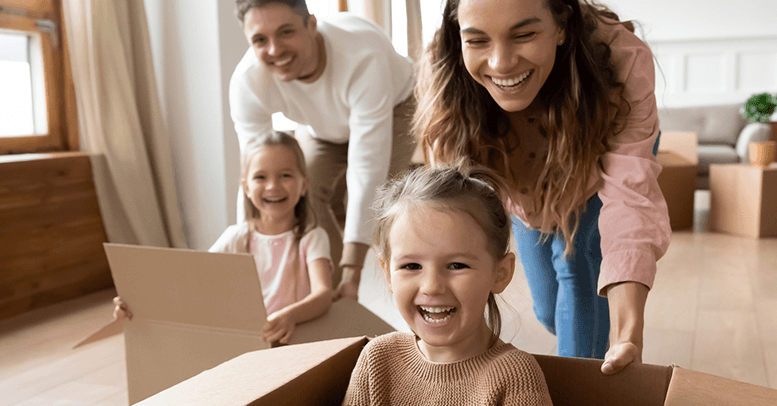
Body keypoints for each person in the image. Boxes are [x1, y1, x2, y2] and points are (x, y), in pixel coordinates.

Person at [414, 0, 670, 374]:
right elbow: (452, 207)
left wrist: (628, 332)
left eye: (525, 34)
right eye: (478, 40)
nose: (500, 63)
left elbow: (630, 198)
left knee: (578, 274)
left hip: (594, 176)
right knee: (550, 311)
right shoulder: (444, 64)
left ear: (562, 24)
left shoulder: (621, 58)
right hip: (522, 194)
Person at [229, 0, 416, 300]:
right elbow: (254, 173)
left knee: (382, 200)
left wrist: (353, 270)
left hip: (396, 105)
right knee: (302, 191)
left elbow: (367, 167)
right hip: (321, 126)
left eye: (286, 32)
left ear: (311, 25)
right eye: (260, 40)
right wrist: (245, 250)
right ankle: (326, 290)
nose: (274, 50)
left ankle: (359, 281)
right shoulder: (247, 82)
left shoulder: (362, 55)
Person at [343, 165, 552, 406]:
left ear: (500, 273)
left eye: (456, 265)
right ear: (388, 273)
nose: (432, 286)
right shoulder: (376, 361)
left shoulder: (516, 378)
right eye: (411, 266)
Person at [115, 131, 333, 345]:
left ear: (304, 184)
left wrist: (289, 317)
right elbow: (192, 278)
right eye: (260, 177)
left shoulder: (312, 238)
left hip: (293, 343)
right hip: (244, 343)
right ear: (246, 187)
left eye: (285, 175)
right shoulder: (236, 237)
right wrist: (138, 302)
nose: (272, 186)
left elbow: (323, 294)